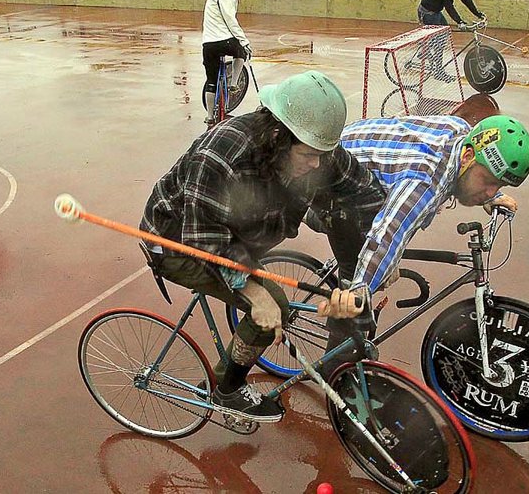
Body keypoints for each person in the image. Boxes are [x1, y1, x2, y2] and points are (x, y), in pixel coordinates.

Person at [140, 71, 386, 422]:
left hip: (243, 231)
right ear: (277, 137)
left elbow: (362, 191)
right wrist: (256, 294)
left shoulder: (308, 146)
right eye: (310, 155)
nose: (318, 164)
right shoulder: (222, 155)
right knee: (276, 306)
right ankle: (227, 388)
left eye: (323, 154)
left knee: (335, 210)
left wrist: (382, 252)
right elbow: (206, 241)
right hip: (182, 241)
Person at [313, 113, 529, 375]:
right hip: (325, 184)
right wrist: (360, 290)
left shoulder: (462, 133)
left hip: (362, 174)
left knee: (378, 266)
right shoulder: (425, 180)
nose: (490, 190)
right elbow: (388, 235)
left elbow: (469, 174)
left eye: (498, 184)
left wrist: (489, 196)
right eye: (487, 182)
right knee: (356, 296)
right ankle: (335, 374)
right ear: (467, 156)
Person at [201, 0, 252, 127]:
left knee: (211, 81)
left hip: (208, 43)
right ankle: (233, 84)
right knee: (242, 52)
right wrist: (244, 41)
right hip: (222, 41)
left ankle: (210, 117)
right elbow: (231, 21)